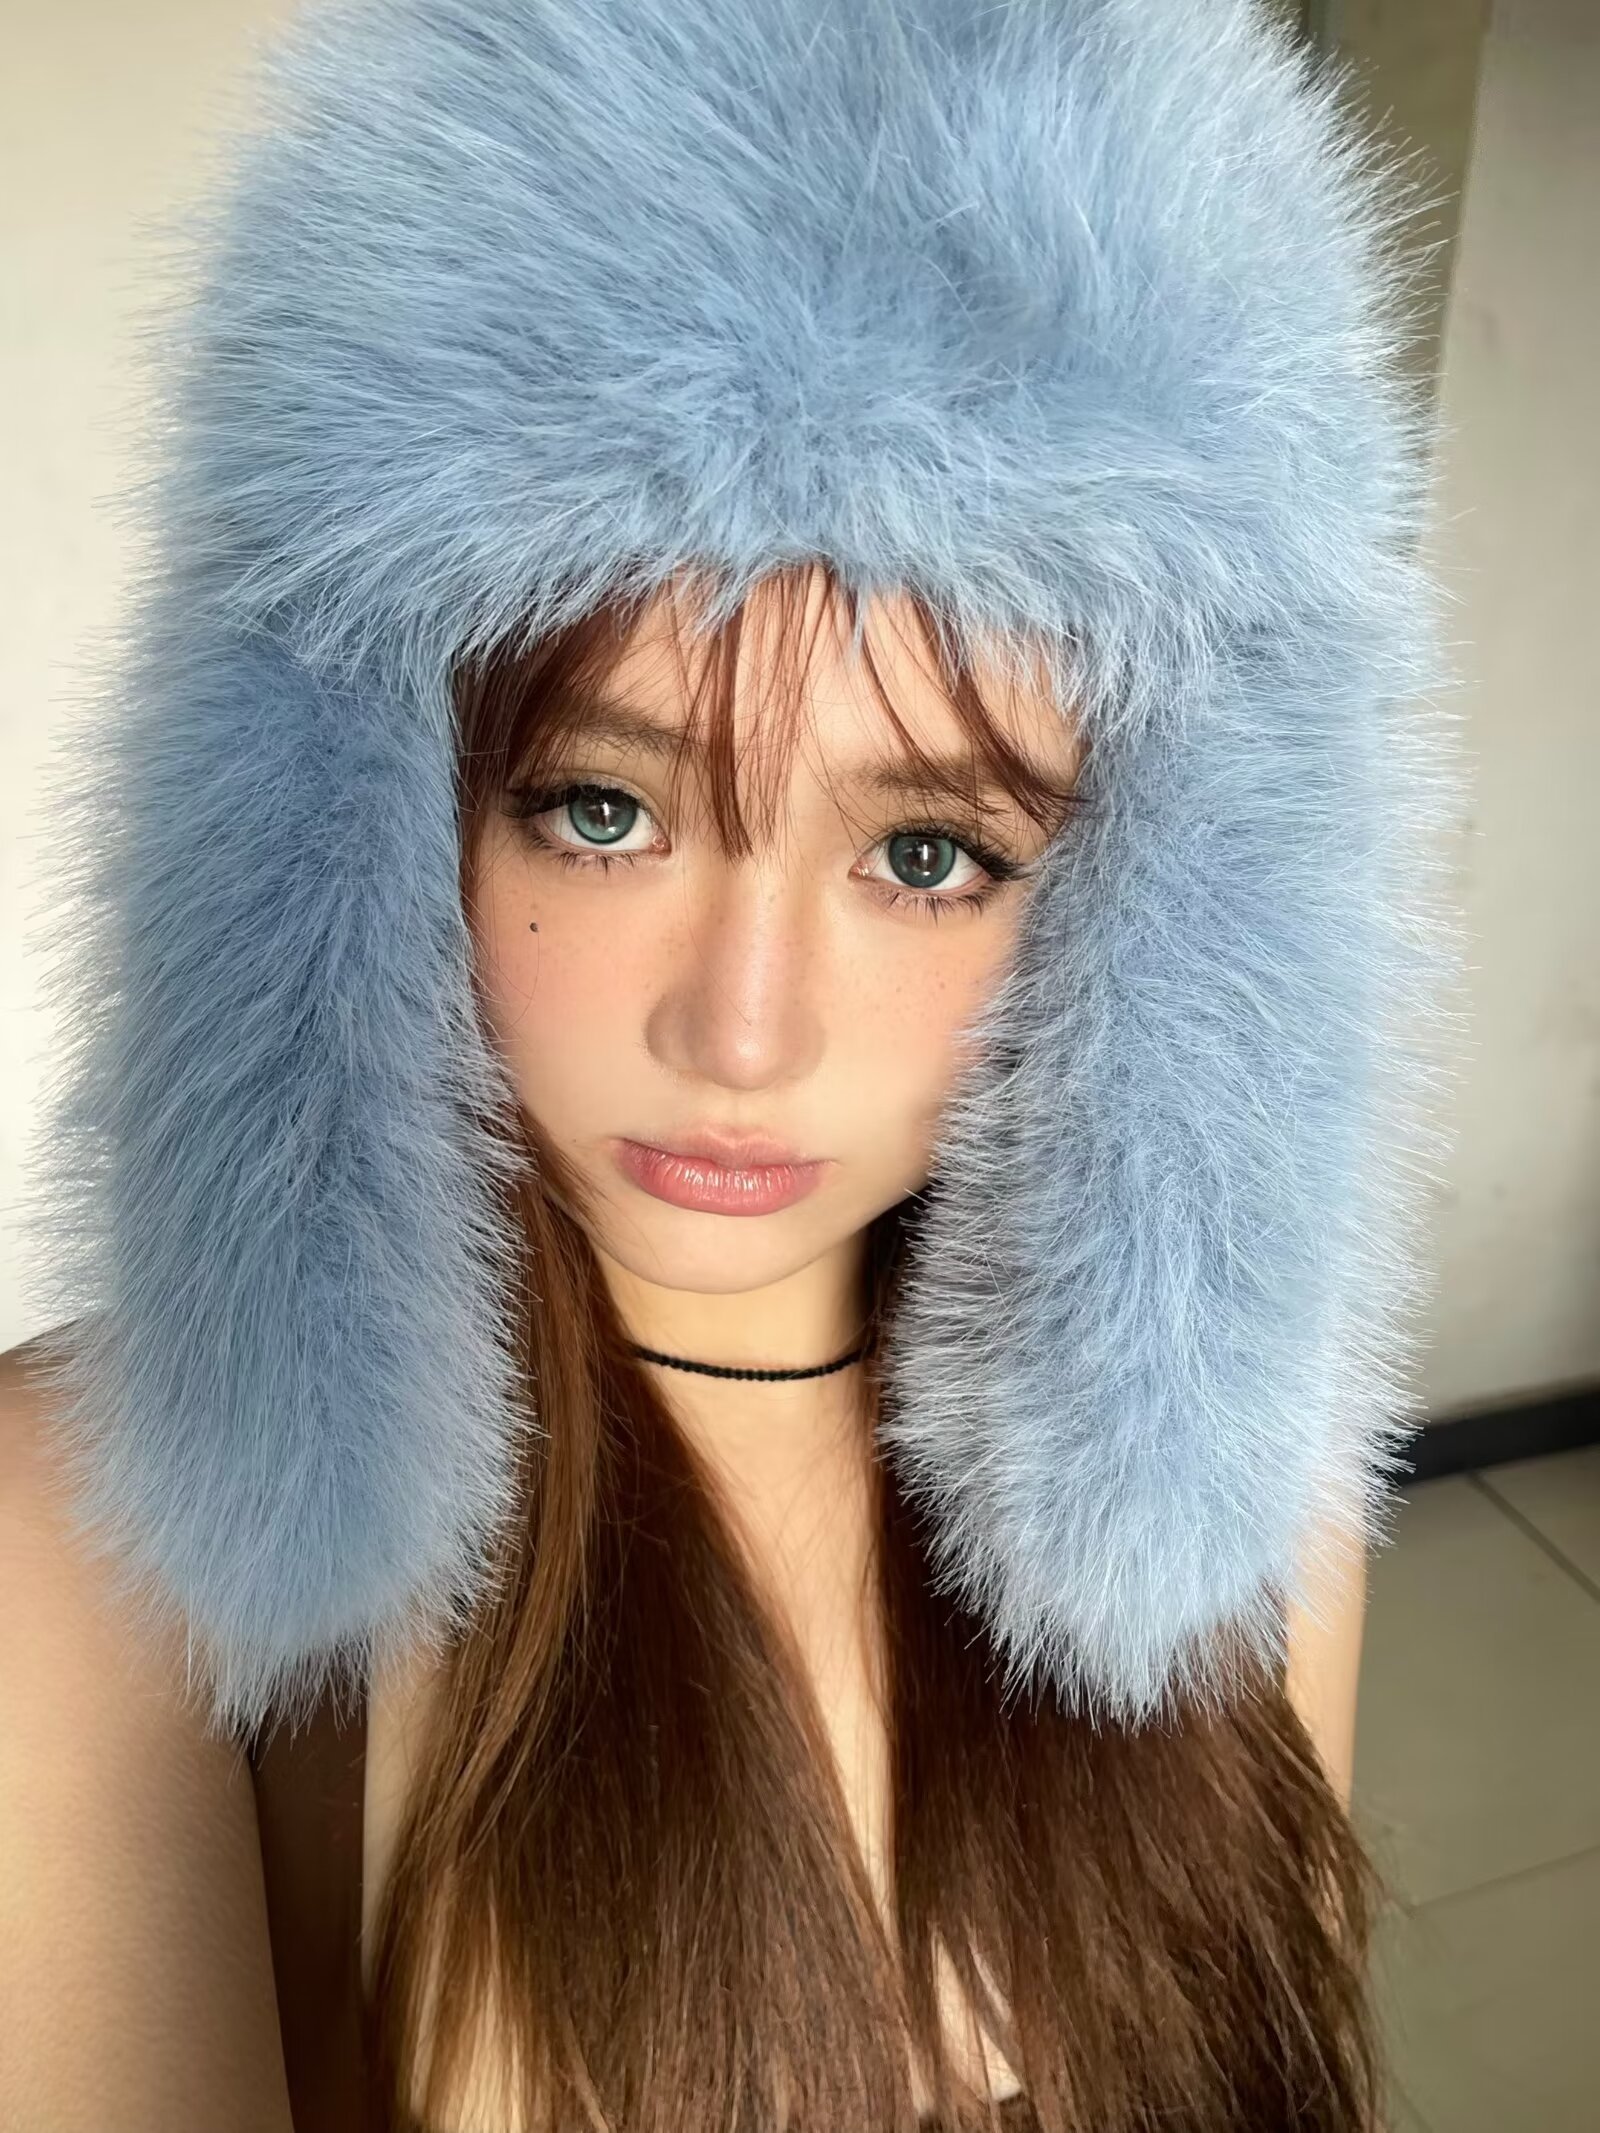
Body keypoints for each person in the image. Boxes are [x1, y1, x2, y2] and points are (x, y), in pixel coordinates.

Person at [1, 0, 1467, 2128]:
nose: (742, 1028)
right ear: (364, 808)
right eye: (601, 808)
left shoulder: (1237, 1506)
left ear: (1157, 912)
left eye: (929, 853)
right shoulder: (92, 1534)